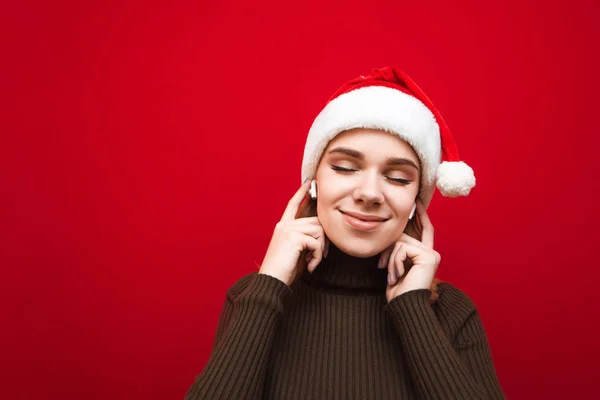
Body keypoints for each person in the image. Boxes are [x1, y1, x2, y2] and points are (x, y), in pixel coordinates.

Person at [185, 67, 506, 399]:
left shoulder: (451, 312)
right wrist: (269, 284)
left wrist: (413, 310)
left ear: (416, 201)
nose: (369, 193)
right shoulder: (254, 298)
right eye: (345, 168)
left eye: (397, 177)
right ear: (314, 183)